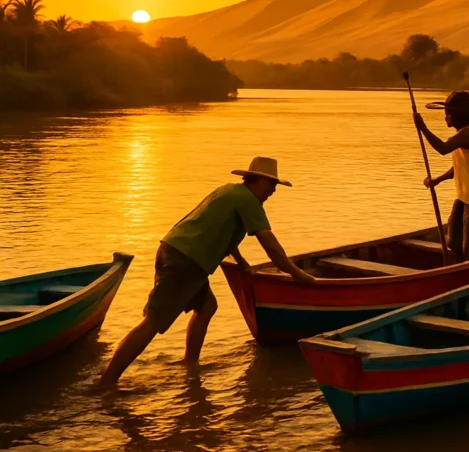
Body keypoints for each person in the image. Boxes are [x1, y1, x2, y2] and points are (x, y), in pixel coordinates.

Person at [98, 157, 314, 387]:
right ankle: (107, 382)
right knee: (154, 320)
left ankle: (190, 365)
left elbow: (222, 231)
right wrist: (298, 274)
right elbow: (270, 244)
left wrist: (241, 263)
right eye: (272, 184)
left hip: (177, 252)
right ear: (258, 180)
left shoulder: (230, 192)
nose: (273, 190)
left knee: (207, 307)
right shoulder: (248, 200)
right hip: (186, 260)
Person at [413, 91, 469, 262]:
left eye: (448, 114)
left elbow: (442, 148)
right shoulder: (462, 135)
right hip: (464, 198)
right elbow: (459, 167)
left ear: (458, 115)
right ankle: (461, 269)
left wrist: (423, 128)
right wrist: (438, 180)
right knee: (452, 241)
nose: (445, 118)